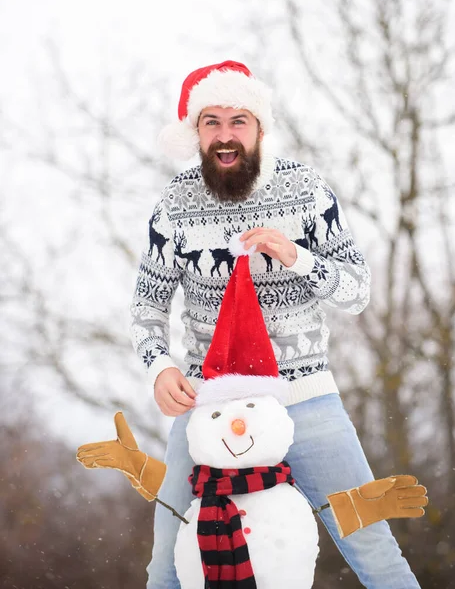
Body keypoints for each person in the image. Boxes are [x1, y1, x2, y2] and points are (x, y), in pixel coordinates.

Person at [131, 60, 421, 588]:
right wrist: (159, 368)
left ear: (260, 127)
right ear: (195, 132)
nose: (225, 134)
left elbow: (357, 291)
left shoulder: (306, 189)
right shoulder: (173, 203)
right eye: (211, 121)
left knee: (373, 548)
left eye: (237, 120)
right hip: (208, 410)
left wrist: (298, 257)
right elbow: (147, 305)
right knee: (167, 565)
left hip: (305, 399)